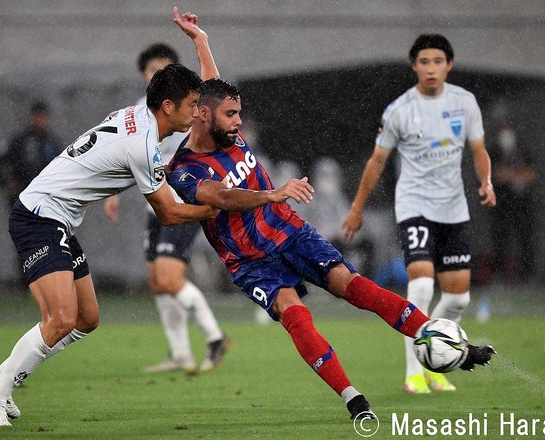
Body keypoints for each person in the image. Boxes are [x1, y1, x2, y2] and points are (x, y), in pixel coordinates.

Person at [166, 78, 495, 421]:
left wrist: (201, 40)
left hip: (290, 231)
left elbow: (211, 78)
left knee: (353, 286)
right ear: (204, 114)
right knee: (295, 315)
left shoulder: (227, 130)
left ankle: (449, 345)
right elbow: (220, 197)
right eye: (231, 114)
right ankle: (353, 398)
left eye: (239, 113)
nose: (238, 122)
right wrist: (272, 194)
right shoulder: (184, 170)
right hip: (250, 260)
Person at [0, 8, 219, 427]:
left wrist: (201, 43)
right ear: (169, 105)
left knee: (86, 319)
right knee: (62, 318)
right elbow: (170, 212)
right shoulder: (142, 143)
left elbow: (208, 98)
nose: (199, 113)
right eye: (192, 106)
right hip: (39, 216)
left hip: (57, 218)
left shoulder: (143, 117)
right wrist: (218, 207)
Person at [342, 34, 497, 395]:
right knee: (423, 284)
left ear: (449, 66)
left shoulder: (465, 103)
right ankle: (414, 372)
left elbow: (478, 149)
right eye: (424, 62)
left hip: (454, 209)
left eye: (437, 61)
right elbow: (377, 161)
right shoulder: (399, 110)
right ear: (414, 66)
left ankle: (438, 355)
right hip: (414, 207)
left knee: (458, 299)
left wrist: (487, 182)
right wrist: (357, 207)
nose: (431, 68)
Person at [103, 43, 228, 374]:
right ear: (144, 76)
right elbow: (130, 155)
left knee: (169, 277)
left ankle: (215, 336)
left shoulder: (189, 108)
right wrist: (113, 191)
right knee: (157, 281)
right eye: (151, 70)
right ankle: (181, 354)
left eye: (164, 69)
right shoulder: (140, 110)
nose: (157, 75)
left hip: (182, 198)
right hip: (155, 202)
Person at [0, 101, 62, 208]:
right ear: (32, 117)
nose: (41, 120)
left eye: (43, 116)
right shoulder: (20, 140)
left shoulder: (53, 143)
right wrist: (5, 182)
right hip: (22, 197)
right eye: (38, 116)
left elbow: (62, 168)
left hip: (46, 200)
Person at [490, 125, 537, 281]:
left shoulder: (523, 150)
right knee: (501, 239)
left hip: (522, 204)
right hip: (502, 204)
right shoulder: (494, 152)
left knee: (525, 238)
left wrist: (509, 175)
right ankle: (501, 275)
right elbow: (495, 175)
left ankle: (526, 274)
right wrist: (515, 175)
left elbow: (531, 174)